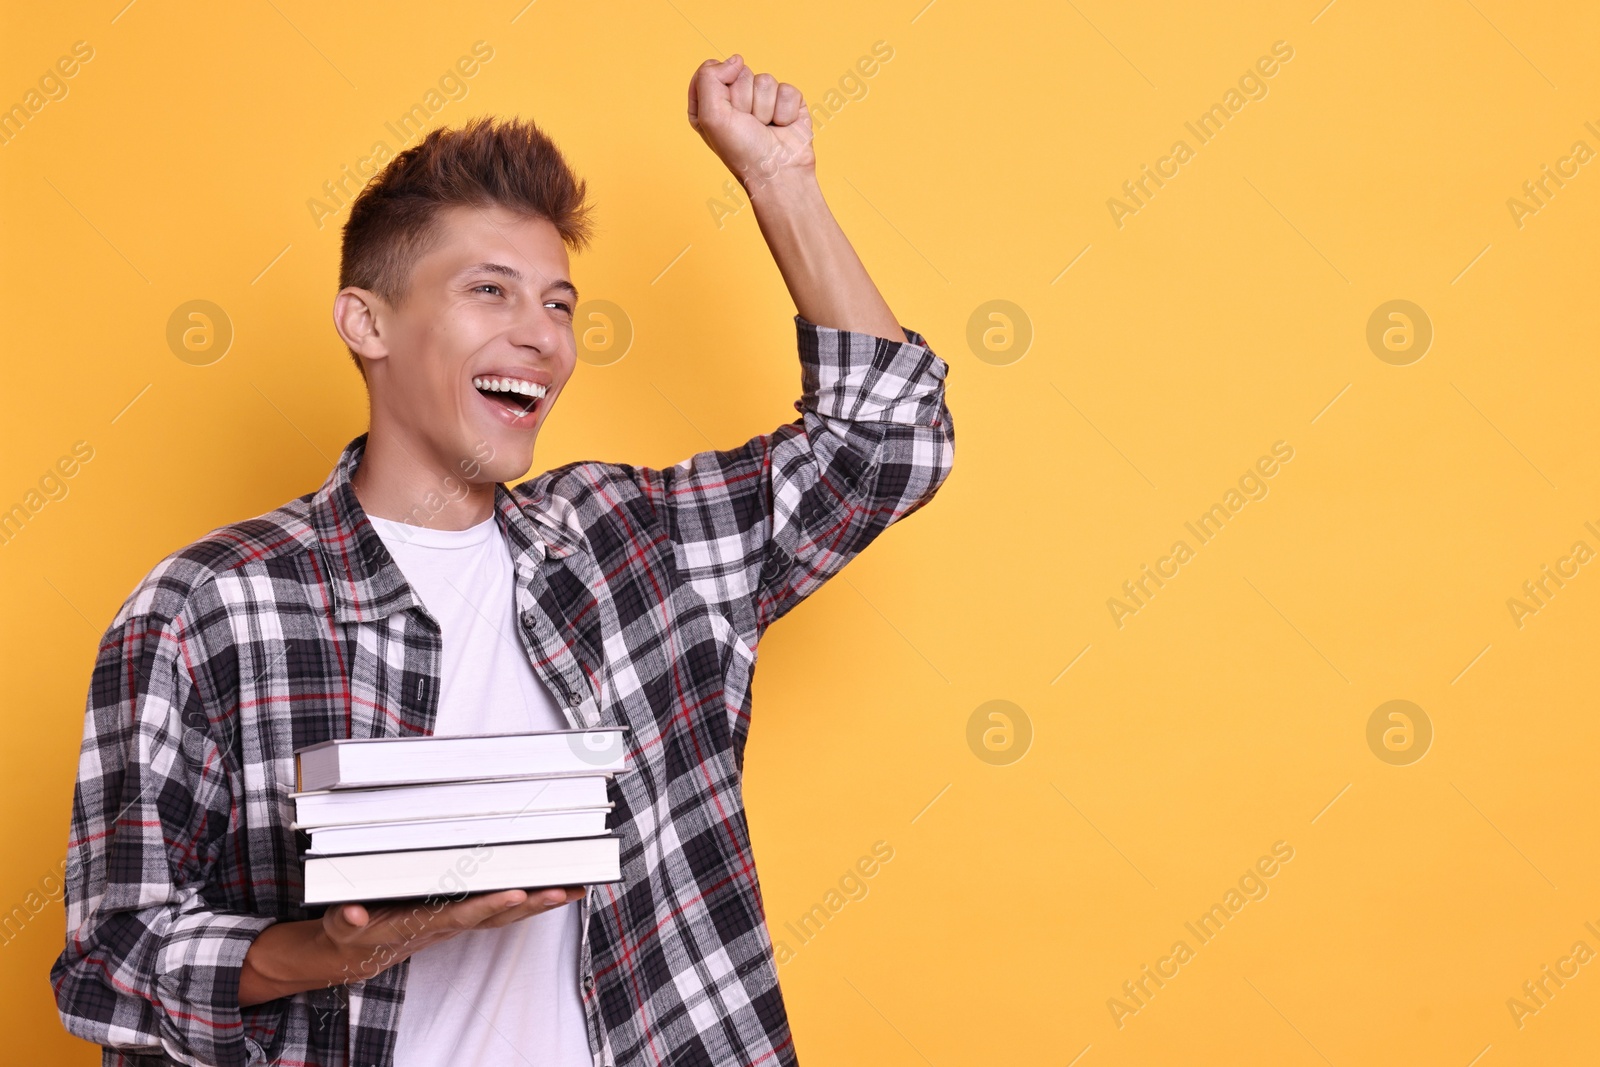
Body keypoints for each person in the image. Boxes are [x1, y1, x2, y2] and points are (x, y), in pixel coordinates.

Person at [52, 54, 954, 1066]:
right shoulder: (209, 608)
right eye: (492, 291)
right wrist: (322, 951)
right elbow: (113, 963)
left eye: (560, 304)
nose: (541, 337)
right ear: (367, 321)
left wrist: (779, 181)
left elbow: (891, 437)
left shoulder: (633, 547)